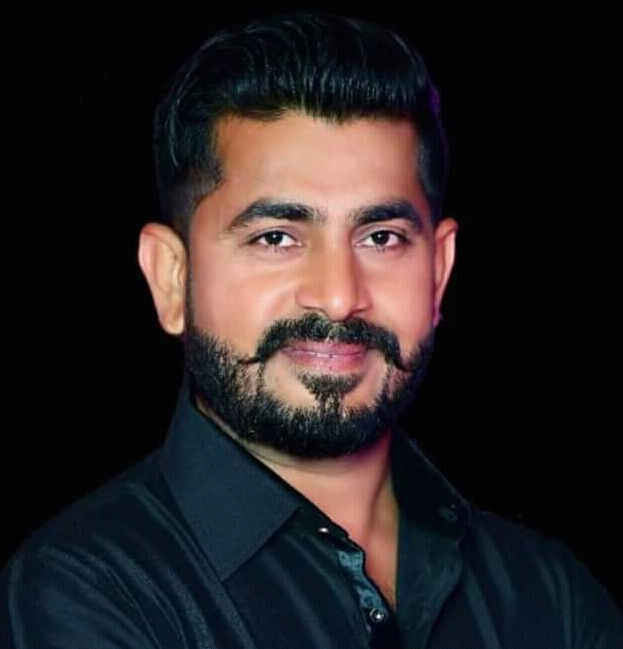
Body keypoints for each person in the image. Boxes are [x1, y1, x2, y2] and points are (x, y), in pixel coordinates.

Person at [2, 12, 621, 649]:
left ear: (438, 272)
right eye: (277, 238)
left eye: (381, 238)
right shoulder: (90, 591)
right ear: (172, 278)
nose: (338, 297)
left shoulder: (551, 597)